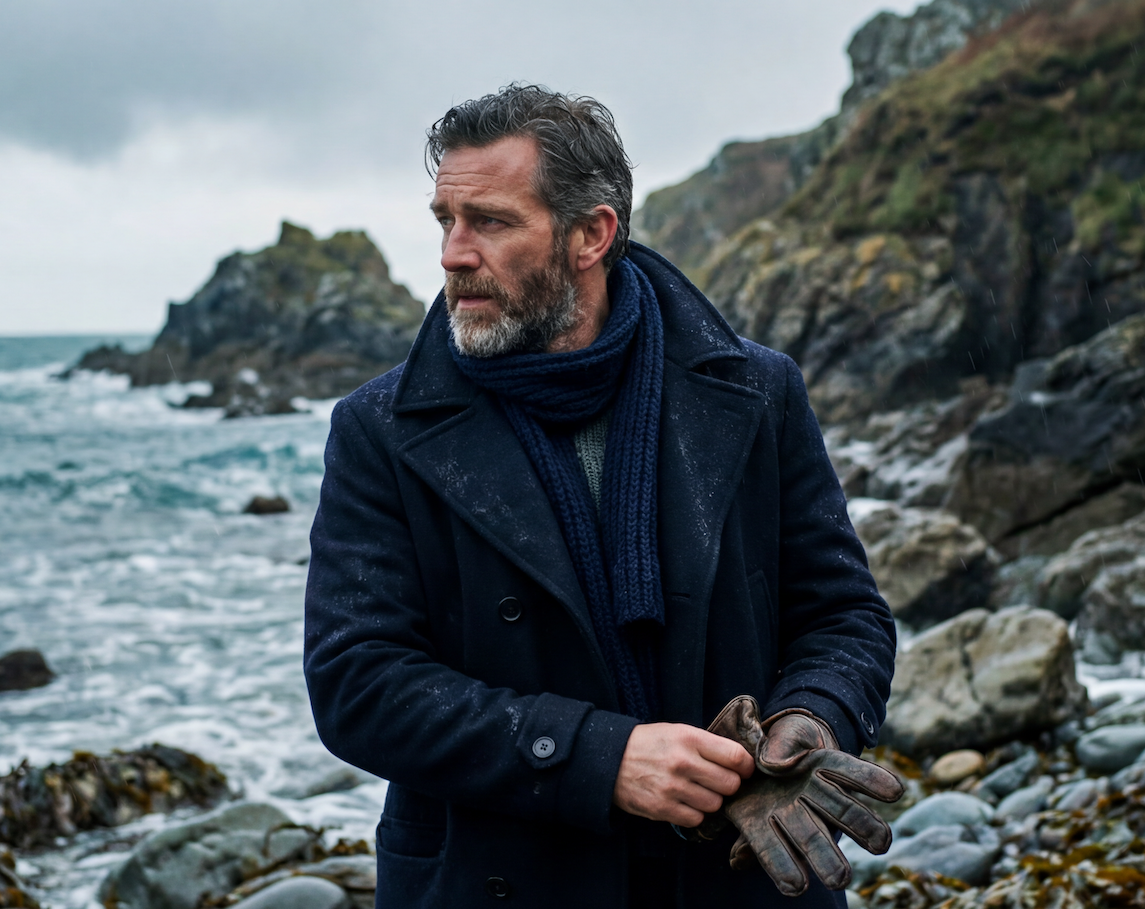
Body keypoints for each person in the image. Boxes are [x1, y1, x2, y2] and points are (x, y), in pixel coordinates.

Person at [304, 84, 898, 909]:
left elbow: (842, 613)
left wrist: (814, 715)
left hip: (738, 873)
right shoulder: (381, 428)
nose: (452, 252)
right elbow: (357, 682)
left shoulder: (755, 392)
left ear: (592, 234)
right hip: (501, 876)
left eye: (491, 221)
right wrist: (597, 756)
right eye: (445, 218)